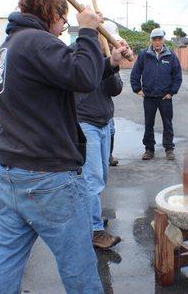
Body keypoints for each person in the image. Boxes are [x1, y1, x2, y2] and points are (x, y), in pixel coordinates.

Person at [0, 0, 128, 294]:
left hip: (10, 172)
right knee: (78, 262)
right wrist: (88, 32)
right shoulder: (39, 42)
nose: (65, 27)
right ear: (51, 13)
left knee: (6, 257)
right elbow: (80, 75)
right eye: (64, 20)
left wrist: (110, 63)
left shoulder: (12, 45)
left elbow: (71, 78)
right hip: (47, 177)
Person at [75, 20, 125, 250]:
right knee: (92, 179)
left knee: (101, 177)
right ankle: (94, 229)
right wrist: (103, 59)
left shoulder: (105, 58)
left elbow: (115, 89)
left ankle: (91, 218)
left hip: (104, 123)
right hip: (87, 123)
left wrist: (112, 61)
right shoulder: (79, 52)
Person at [130, 28, 182, 161]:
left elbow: (177, 76)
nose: (157, 42)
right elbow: (135, 73)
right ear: (151, 40)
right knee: (148, 124)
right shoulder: (144, 55)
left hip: (165, 97)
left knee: (167, 123)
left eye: (159, 39)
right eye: (155, 39)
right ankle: (149, 149)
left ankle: (169, 148)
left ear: (163, 40)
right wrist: (137, 89)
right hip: (149, 97)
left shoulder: (171, 56)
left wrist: (172, 92)